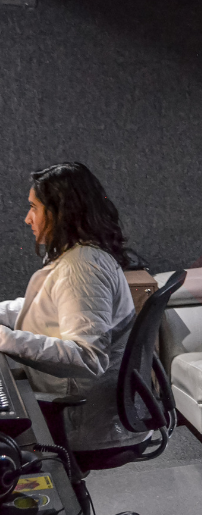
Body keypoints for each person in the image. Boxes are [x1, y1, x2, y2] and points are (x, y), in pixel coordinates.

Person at [0, 162, 149, 459]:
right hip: (87, 411)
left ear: (60, 212)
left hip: (82, 421)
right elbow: (43, 308)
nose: (28, 218)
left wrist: (4, 339)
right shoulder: (80, 255)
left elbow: (87, 357)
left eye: (34, 208)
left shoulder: (82, 268)